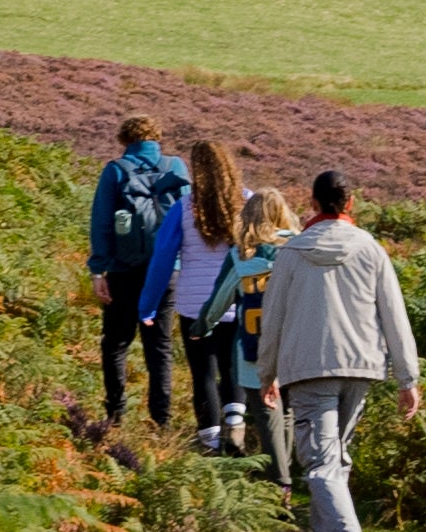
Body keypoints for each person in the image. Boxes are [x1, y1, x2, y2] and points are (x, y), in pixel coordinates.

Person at [254, 167, 421, 532]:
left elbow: (271, 318)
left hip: (309, 369)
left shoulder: (291, 253)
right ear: (350, 204)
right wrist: (407, 378)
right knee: (334, 459)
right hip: (362, 367)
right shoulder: (370, 248)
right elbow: (394, 315)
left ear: (311, 204)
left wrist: (266, 373)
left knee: (323, 461)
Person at [136, 135, 257, 451]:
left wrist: (147, 306)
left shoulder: (184, 208)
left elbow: (163, 260)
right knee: (234, 369)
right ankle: (236, 428)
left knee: (203, 373)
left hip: (194, 306)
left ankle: (210, 442)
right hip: (238, 302)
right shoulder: (249, 203)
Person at [85, 114, 185, 430]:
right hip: (167, 271)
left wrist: (98, 270)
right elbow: (190, 220)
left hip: (123, 271)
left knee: (116, 343)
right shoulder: (176, 168)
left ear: (125, 141)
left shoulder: (116, 171)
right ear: (156, 138)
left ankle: (115, 415)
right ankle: (162, 422)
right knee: (160, 347)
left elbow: (101, 224)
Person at [204, 184, 294, 463]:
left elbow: (219, 300)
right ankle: (290, 472)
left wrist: (202, 326)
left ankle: (280, 481)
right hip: (293, 347)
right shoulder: (298, 249)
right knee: (289, 410)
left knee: (267, 416)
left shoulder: (241, 256)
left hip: (252, 350)